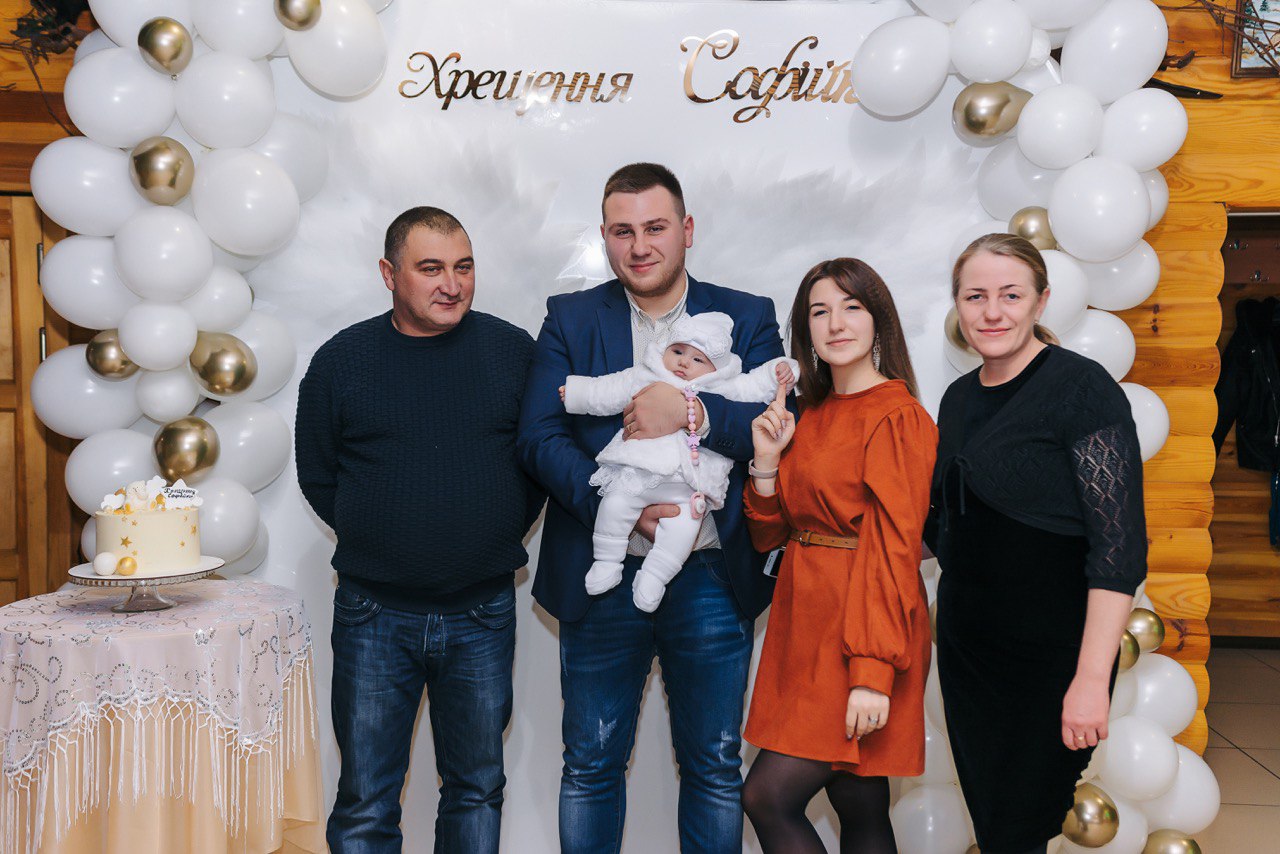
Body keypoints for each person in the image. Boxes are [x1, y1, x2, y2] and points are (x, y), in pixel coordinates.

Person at [518, 162, 786, 853]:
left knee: (714, 767)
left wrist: (691, 412)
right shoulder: (570, 318)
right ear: (605, 236)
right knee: (591, 765)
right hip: (601, 568)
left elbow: (777, 423)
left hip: (709, 572)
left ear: (687, 230)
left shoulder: (747, 316)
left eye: (656, 227)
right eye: (622, 231)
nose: (639, 246)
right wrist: (619, 504)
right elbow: (539, 435)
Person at [295, 206, 544, 854]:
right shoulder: (341, 360)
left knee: (476, 789)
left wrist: (483, 535)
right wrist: (384, 536)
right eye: (431, 268)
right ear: (389, 273)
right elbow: (319, 474)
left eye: (464, 267)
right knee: (366, 801)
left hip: (483, 612)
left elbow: (538, 463)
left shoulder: (513, 352)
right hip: (374, 614)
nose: (452, 285)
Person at [928, 233, 1147, 854]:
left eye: (1010, 295)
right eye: (975, 296)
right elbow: (943, 528)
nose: (992, 312)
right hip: (970, 655)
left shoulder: (1081, 388)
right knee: (997, 828)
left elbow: (1119, 552)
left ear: (1041, 301)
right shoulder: (958, 398)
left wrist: (1090, 679)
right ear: (958, 305)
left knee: (1021, 827)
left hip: (1052, 658)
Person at [740, 258, 936, 853]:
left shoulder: (898, 416)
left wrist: (872, 675)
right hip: (806, 622)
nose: (835, 324)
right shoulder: (810, 413)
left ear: (879, 321)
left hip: (864, 625)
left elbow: (895, 551)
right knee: (859, 799)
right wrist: (767, 463)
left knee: (767, 797)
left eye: (852, 307)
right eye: (819, 311)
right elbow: (771, 537)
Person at [560, 310, 797, 611]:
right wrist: (577, 393)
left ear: (715, 368)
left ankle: (654, 577)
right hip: (638, 473)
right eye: (678, 351)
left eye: (698, 359)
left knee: (683, 532)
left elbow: (755, 385)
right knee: (614, 505)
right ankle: (606, 561)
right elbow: (608, 389)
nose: (684, 362)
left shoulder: (723, 386)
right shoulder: (648, 375)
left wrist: (780, 371)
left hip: (688, 489)